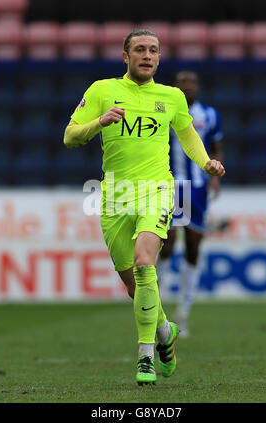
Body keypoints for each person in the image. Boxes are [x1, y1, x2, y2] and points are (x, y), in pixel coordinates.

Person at [63, 30, 225, 386]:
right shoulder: (102, 90)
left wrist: (205, 163)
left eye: (153, 50)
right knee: (132, 284)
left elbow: (187, 134)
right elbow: (70, 136)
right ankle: (166, 331)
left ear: (159, 57)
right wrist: (99, 122)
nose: (147, 55)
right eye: (140, 49)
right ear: (126, 56)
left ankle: (146, 356)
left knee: (143, 263)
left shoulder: (171, 97)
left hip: (158, 191)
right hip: (115, 196)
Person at [158, 71, 223, 337]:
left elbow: (216, 147)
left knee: (193, 247)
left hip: (196, 189)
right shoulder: (162, 110)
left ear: (197, 87)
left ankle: (183, 312)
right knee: (167, 242)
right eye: (182, 83)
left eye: (191, 83)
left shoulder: (209, 114)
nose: (187, 87)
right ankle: (155, 309)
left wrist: (215, 178)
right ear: (175, 87)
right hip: (169, 185)